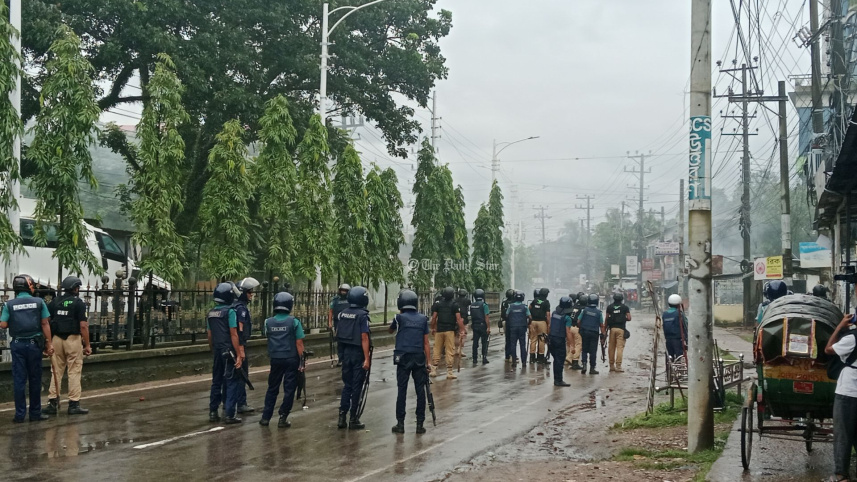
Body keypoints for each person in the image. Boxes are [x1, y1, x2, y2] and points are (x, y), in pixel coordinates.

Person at [0, 274, 53, 422]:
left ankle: (19, 415)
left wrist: (15, 322)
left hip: (17, 345)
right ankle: (35, 414)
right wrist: (49, 343)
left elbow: (3, 324)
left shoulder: (9, 305)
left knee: (19, 380)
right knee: (35, 379)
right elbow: (45, 324)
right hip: (34, 345)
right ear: (27, 286)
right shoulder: (38, 302)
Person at [44, 276, 91, 416]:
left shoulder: (54, 302)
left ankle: (52, 402)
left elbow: (46, 321)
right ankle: (73, 404)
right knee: (74, 370)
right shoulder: (78, 303)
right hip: (73, 339)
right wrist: (87, 345)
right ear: (76, 288)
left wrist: (48, 342)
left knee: (56, 371)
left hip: (57, 339)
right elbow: (83, 326)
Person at [824, 289, 857, 482]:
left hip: (848, 392)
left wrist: (839, 327)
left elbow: (829, 349)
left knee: (843, 434)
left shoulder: (852, 338)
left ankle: (841, 475)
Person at [259, 292, 305, 428]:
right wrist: (302, 362)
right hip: (291, 359)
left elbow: (267, 336)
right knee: (289, 389)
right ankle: (283, 417)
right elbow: (299, 343)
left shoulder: (268, 322)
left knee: (272, 388)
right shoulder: (294, 322)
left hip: (275, 359)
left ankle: (265, 417)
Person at [389, 289, 432, 434]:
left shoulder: (398, 318)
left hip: (403, 357)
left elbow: (390, 330)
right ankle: (420, 424)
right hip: (419, 357)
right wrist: (429, 362)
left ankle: (400, 424)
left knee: (402, 390)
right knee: (420, 391)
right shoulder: (422, 319)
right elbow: (426, 343)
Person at [207, 282, 244, 424]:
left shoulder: (211, 313)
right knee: (232, 380)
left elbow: (209, 335)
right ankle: (230, 414)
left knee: (216, 381)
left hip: (217, 349)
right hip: (229, 351)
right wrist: (239, 354)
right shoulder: (230, 312)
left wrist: (212, 349)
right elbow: (233, 334)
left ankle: (213, 411)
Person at [336, 286, 372, 430]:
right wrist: (367, 358)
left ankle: (342, 416)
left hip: (346, 353)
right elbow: (364, 337)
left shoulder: (343, 314)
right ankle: (353, 418)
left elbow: (339, 334)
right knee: (357, 387)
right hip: (358, 353)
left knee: (347, 386)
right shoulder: (363, 315)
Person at [233, 277, 259, 415]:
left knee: (232, 376)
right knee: (241, 375)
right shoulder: (241, 309)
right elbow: (240, 329)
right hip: (239, 345)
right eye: (249, 292)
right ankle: (241, 403)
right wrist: (241, 349)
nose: (251, 294)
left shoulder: (234, 306)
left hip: (233, 345)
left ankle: (230, 403)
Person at [430, 287, 466, 379]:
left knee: (437, 349)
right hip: (450, 330)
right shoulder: (454, 305)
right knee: (449, 350)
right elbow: (458, 319)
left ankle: (433, 370)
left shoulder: (438, 304)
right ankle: (449, 372)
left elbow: (434, 318)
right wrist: (462, 330)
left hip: (439, 330)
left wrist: (433, 328)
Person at [576, 293, 604, 375]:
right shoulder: (599, 312)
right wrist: (603, 334)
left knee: (584, 349)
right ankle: (592, 368)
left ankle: (584, 365)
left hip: (584, 332)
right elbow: (601, 325)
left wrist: (581, 328)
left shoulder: (584, 310)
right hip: (594, 333)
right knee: (593, 351)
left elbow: (578, 321)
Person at [548, 296, 573, 387]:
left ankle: (556, 379)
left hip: (551, 339)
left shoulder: (554, 313)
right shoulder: (567, 318)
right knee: (560, 360)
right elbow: (568, 332)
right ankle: (558, 380)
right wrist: (571, 345)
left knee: (556, 360)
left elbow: (550, 326)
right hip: (560, 340)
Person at [605, 292, 631, 373]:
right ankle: (618, 366)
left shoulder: (609, 307)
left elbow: (606, 319)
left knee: (611, 348)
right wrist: (622, 318)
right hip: (621, 329)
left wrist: (604, 331)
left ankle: (611, 366)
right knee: (620, 348)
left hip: (612, 329)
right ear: (622, 299)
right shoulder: (624, 307)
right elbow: (629, 318)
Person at [506, 290, 532, 366]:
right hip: (522, 327)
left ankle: (514, 361)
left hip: (513, 327)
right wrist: (528, 323)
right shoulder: (525, 307)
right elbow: (530, 317)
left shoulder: (510, 306)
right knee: (522, 344)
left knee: (513, 344)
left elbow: (507, 315)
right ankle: (524, 362)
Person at [328, 283, 351, 367]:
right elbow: (330, 311)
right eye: (342, 290)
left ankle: (348, 359)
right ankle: (341, 359)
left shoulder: (351, 299)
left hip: (349, 324)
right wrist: (330, 323)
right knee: (340, 342)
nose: (343, 292)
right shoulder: (335, 300)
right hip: (338, 324)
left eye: (345, 291)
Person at [662, 294, 688, 361]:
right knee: (679, 357)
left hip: (668, 339)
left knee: (670, 356)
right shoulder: (679, 313)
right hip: (678, 339)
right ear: (678, 304)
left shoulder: (664, 314)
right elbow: (686, 326)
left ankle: (670, 369)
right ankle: (677, 370)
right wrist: (687, 340)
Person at [469, 289, 491, 365]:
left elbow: (472, 316)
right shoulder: (484, 305)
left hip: (475, 325)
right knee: (484, 342)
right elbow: (486, 317)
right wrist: (488, 327)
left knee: (475, 342)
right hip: (482, 325)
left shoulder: (472, 305)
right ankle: (484, 357)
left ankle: (474, 358)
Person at [529, 288, 551, 364]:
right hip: (542, 322)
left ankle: (532, 357)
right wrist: (549, 324)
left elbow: (529, 308)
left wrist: (530, 318)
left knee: (533, 339)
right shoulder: (546, 302)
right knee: (542, 339)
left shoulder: (535, 300)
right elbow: (548, 314)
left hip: (533, 322)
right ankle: (540, 358)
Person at [565, 292, 585, 370]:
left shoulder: (573, 306)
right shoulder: (583, 309)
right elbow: (580, 320)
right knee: (578, 344)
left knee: (570, 344)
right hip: (576, 328)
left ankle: (568, 359)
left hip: (569, 327)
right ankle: (574, 361)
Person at [456, 288, 471, 360]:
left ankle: (455, 349)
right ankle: (460, 350)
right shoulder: (467, 300)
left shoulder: (455, 300)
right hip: (464, 320)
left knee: (456, 334)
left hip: (456, 319)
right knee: (463, 335)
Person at [501, 289, 514, 362]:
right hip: (512, 322)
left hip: (504, 322)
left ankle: (507, 355)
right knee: (513, 339)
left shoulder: (504, 303)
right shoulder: (514, 303)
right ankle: (512, 354)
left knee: (507, 338)